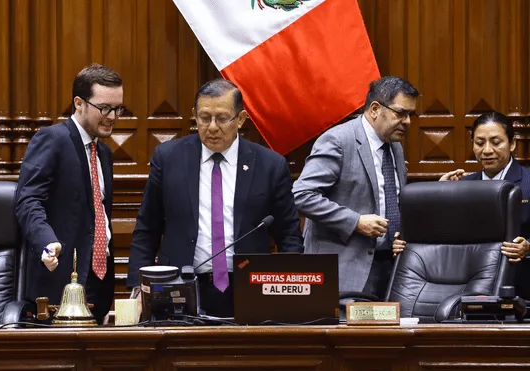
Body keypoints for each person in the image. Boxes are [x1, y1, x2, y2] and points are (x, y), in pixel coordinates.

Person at [127, 78, 304, 317]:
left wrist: (287, 289)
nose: (212, 127)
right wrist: (139, 287)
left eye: (222, 118)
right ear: (194, 116)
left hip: (249, 286)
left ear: (240, 119)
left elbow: (289, 235)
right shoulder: (168, 158)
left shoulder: (270, 165)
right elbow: (147, 227)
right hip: (180, 284)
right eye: (204, 117)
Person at [15, 64, 123, 324]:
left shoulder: (104, 153)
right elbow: (28, 200)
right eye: (104, 108)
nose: (112, 116)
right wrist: (46, 241)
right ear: (79, 103)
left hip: (98, 282)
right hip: (59, 281)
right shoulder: (53, 139)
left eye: (118, 108)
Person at [293, 76, 418, 299]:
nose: (407, 121)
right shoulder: (338, 140)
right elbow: (302, 195)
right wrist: (356, 222)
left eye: (411, 115)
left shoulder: (395, 148)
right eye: (401, 113)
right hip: (344, 268)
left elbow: (391, 199)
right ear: (375, 109)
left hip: (390, 267)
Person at [392, 111, 530, 298]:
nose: (487, 150)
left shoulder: (528, 181)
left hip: (521, 283)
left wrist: (528, 246)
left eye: (496, 142)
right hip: (470, 285)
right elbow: (444, 237)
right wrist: (439, 197)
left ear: (512, 143)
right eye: (479, 143)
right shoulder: (464, 186)